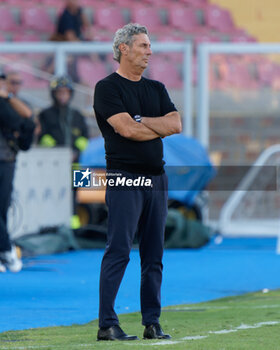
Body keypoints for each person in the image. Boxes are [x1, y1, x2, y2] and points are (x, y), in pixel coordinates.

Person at [93, 23, 182, 341]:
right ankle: (107, 324)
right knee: (118, 250)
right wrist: (149, 126)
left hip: (157, 180)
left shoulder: (156, 89)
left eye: (149, 45)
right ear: (123, 49)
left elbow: (176, 123)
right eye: (143, 45)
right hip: (125, 178)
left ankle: (152, 322)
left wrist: (141, 121)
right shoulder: (107, 88)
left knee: (154, 253)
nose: (149, 51)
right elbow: (126, 131)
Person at [37, 75, 89, 228]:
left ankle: (74, 226)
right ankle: (54, 224)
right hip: (53, 165)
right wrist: (59, 153)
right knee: (53, 192)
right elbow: (43, 137)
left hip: (77, 162)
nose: (62, 96)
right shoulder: (45, 114)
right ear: (54, 94)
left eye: (65, 92)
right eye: (59, 92)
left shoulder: (78, 115)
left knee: (76, 193)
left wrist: (76, 151)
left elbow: (85, 138)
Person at [0, 72, 35, 273]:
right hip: (6, 160)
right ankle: (6, 248)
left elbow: (25, 121)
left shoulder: (10, 102)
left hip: (7, 160)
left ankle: (4, 250)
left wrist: (8, 98)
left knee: (2, 208)